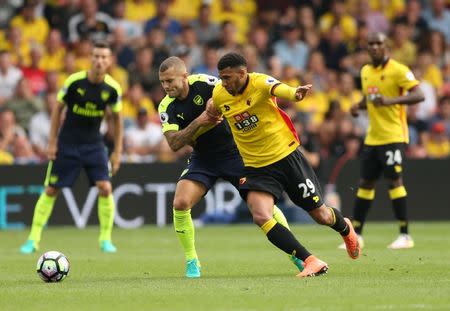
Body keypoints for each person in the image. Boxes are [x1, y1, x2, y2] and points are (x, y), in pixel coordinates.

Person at [207, 52, 360, 278]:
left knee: (321, 216)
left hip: (286, 157)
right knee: (260, 215)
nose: (224, 83)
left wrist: (295, 93)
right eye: (221, 78)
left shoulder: (259, 82)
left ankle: (345, 228)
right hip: (257, 167)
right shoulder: (220, 95)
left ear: (242, 73)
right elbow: (214, 112)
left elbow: (278, 88)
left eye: (228, 77)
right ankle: (311, 260)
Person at [158, 56, 302, 278]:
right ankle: (191, 260)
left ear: (185, 76)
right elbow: (174, 143)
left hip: (235, 152)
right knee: (180, 202)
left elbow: (236, 90)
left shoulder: (207, 84)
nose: (166, 86)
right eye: (163, 82)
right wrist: (200, 121)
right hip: (203, 158)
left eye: (170, 81)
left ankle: (296, 255)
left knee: (263, 206)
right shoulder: (166, 106)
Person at [20, 40, 123, 254]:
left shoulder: (112, 88)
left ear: (109, 61)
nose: (99, 60)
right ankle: (33, 239)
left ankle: (105, 239)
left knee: (105, 187)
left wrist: (117, 151)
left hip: (94, 145)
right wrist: (52, 142)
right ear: (90, 58)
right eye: (96, 56)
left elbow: (117, 119)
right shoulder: (74, 82)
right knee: (51, 189)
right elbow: (58, 109)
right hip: (68, 144)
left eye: (104, 57)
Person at [347, 32, 424, 249]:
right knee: (366, 183)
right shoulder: (365, 71)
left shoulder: (399, 70)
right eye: (370, 44)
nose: (374, 47)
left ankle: (405, 234)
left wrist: (392, 100)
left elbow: (419, 95)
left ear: (385, 46)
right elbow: (371, 98)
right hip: (373, 137)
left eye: (378, 43)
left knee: (394, 181)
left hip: (394, 135)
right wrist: (358, 106)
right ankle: (357, 234)